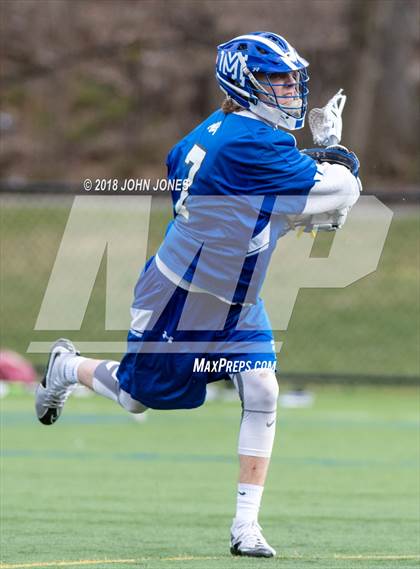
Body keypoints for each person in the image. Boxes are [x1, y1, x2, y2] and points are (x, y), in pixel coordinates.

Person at [35, 31, 361, 558]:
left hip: (234, 298)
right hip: (179, 298)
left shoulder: (222, 133)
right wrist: (333, 156)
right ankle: (66, 367)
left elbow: (254, 195)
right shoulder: (248, 143)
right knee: (136, 398)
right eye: (276, 80)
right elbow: (340, 190)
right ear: (244, 83)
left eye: (290, 80)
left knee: (263, 390)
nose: (290, 90)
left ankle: (245, 526)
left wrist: (299, 195)